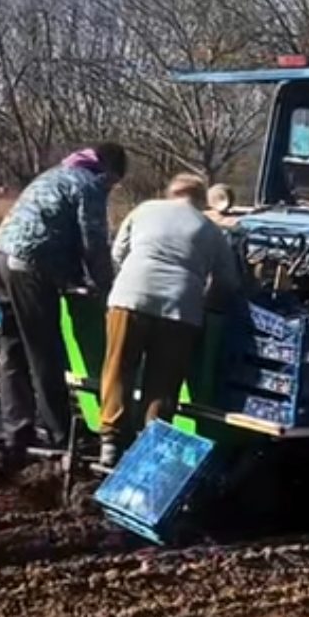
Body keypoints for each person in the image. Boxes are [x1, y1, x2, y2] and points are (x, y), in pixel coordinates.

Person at [0, 143, 128, 466]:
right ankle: (60, 435)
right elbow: (93, 241)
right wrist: (106, 288)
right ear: (109, 172)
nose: (111, 188)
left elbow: (55, 228)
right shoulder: (90, 184)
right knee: (45, 351)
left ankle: (16, 429)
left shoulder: (55, 175)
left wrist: (70, 278)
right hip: (30, 265)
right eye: (114, 183)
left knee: (13, 350)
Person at [98, 172, 241, 466]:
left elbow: (117, 253)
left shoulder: (144, 210)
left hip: (130, 298)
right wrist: (207, 303)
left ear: (169, 193)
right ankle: (149, 449)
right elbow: (227, 282)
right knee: (163, 384)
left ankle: (110, 443)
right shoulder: (210, 229)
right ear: (201, 200)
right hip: (180, 309)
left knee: (118, 368)